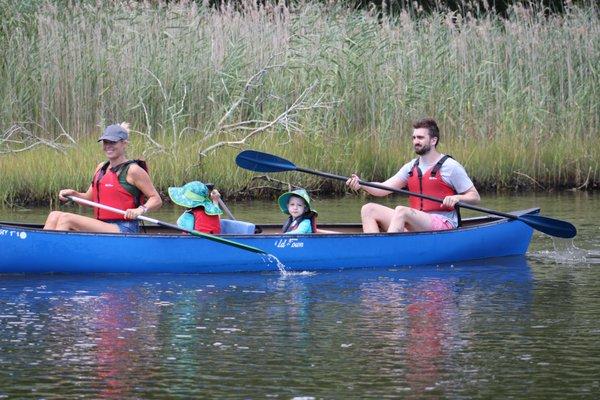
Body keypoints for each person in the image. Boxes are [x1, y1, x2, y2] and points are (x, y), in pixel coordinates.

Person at [346, 117, 480, 233]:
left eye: (421, 138)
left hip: (444, 222)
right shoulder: (411, 167)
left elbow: (474, 197)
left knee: (402, 211)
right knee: (368, 209)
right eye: (414, 137)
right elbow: (382, 189)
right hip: (417, 221)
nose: (416, 141)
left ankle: (387, 249)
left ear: (433, 140)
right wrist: (361, 184)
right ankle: (373, 249)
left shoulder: (450, 166)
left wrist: (457, 198)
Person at [43, 123, 162, 233]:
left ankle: (53, 252)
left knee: (66, 218)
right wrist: (73, 194)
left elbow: (156, 200)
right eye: (105, 142)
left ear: (124, 144)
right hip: (102, 224)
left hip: (125, 227)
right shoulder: (101, 168)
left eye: (113, 142)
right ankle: (41, 251)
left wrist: (140, 210)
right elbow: (89, 200)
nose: (108, 146)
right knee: (54, 215)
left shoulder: (133, 170)